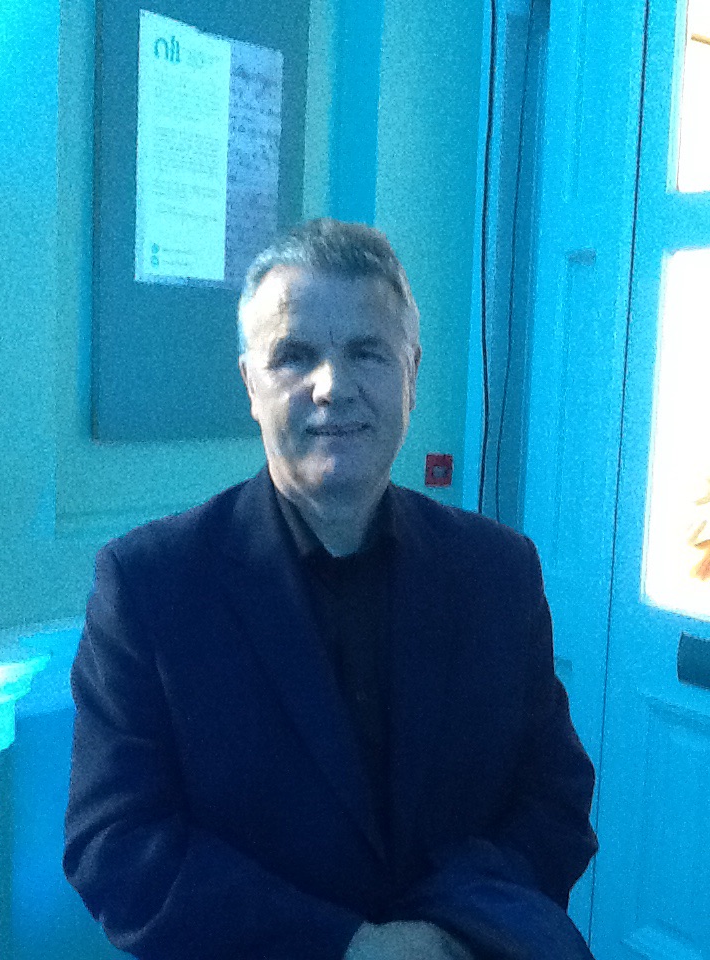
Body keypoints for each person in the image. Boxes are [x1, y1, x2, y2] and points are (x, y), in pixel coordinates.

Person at [64, 219, 598, 960]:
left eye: (367, 352)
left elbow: (554, 795)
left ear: (412, 374)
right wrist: (349, 946)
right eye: (294, 355)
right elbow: (117, 846)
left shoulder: (498, 571)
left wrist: (444, 937)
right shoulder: (149, 585)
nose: (332, 386)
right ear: (250, 384)